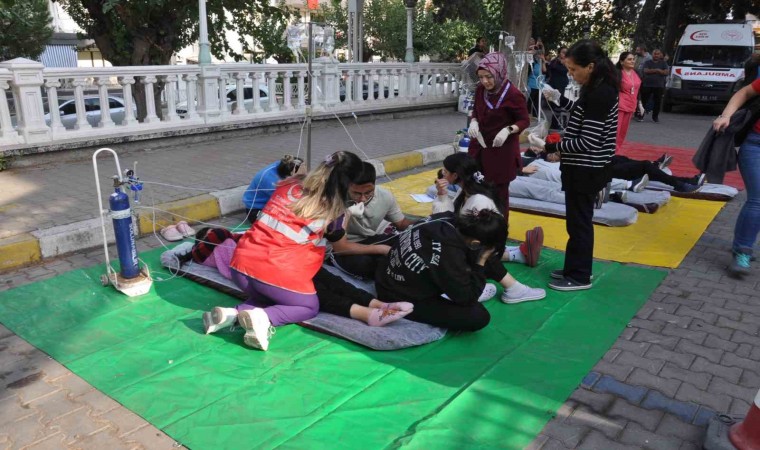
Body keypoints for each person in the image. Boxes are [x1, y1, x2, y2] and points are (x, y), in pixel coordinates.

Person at [204, 151, 364, 351]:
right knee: (308, 307)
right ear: (348, 184)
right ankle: (263, 319)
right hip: (274, 273)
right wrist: (349, 215)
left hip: (240, 267)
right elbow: (340, 244)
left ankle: (231, 315)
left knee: (270, 299)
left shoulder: (292, 182)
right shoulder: (334, 209)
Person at [530, 40, 619, 291]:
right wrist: (560, 100)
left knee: (579, 223)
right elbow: (583, 114)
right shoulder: (594, 88)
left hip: (587, 169)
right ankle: (574, 268)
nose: (571, 74)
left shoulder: (601, 93)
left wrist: (550, 147)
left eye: (573, 69)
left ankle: (579, 276)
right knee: (576, 222)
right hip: (582, 168)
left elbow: (588, 141)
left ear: (590, 66)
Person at [432, 153, 546, 304]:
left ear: (455, 175)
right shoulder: (464, 192)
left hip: (481, 252)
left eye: (445, 171)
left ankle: (504, 287)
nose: (441, 174)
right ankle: (515, 266)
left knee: (476, 249)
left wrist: (442, 197)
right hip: (471, 245)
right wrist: (442, 195)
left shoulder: (478, 201)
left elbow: (444, 221)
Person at [374, 210, 507, 331]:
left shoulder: (447, 218)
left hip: (388, 273)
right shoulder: (449, 254)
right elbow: (467, 298)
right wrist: (481, 261)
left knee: (481, 256)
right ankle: (468, 285)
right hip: (396, 295)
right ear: (475, 243)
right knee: (478, 316)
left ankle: (513, 287)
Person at [713, 54, 760, 276]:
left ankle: (742, 242)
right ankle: (742, 250)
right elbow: (744, 92)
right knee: (758, 199)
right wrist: (726, 116)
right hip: (755, 145)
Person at [468, 52, 531, 218]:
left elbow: (524, 120)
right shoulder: (481, 90)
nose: (484, 81)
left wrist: (508, 130)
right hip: (480, 148)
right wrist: (474, 121)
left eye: (488, 77)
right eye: (481, 77)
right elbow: (475, 110)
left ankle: (499, 233)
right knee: (477, 190)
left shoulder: (514, 95)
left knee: (498, 196)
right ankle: (479, 227)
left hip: (501, 152)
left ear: (499, 72)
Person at [329, 162, 414, 278]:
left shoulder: (384, 196)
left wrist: (424, 225)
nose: (362, 199)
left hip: (369, 239)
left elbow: (401, 223)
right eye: (356, 193)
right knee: (365, 264)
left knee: (408, 244)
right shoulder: (336, 199)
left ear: (374, 184)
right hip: (341, 248)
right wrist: (381, 249)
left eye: (368, 193)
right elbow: (340, 247)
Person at [241, 155, 305, 221]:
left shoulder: (284, 164)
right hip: (255, 210)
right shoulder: (272, 182)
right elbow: (285, 202)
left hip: (269, 203)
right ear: (290, 175)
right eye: (299, 176)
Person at [616, 52, 642, 150]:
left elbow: (638, 90)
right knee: (616, 131)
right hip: (619, 106)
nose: (632, 61)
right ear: (622, 62)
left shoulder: (637, 73)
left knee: (623, 132)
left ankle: (616, 151)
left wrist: (640, 103)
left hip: (631, 105)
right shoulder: (617, 73)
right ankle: (610, 152)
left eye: (633, 59)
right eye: (629, 59)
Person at [639, 49, 669, 123]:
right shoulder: (647, 62)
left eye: (658, 54)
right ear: (652, 55)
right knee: (644, 101)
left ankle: (655, 117)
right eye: (654, 54)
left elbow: (666, 72)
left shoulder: (664, 63)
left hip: (659, 86)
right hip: (647, 84)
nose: (656, 55)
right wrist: (658, 70)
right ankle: (640, 116)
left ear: (660, 55)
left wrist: (653, 70)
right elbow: (646, 71)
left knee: (657, 102)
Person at [546, 47, 569, 130]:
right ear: (559, 53)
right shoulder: (554, 61)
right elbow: (550, 68)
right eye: (563, 52)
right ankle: (554, 123)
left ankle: (558, 123)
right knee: (555, 105)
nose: (564, 54)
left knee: (560, 105)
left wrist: (564, 63)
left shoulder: (567, 62)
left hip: (562, 85)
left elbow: (565, 71)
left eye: (566, 52)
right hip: (554, 85)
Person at [527, 44, 547, 118]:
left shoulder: (540, 62)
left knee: (537, 102)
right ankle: (528, 116)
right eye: (538, 54)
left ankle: (536, 116)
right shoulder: (533, 61)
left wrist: (543, 60)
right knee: (530, 101)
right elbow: (528, 55)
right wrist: (532, 49)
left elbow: (544, 70)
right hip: (532, 83)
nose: (539, 55)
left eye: (541, 54)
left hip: (539, 84)